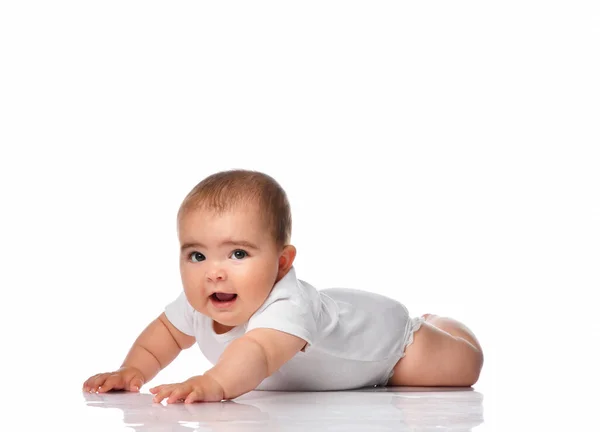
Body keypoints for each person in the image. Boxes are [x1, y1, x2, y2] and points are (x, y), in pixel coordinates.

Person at [82, 169, 484, 404]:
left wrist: (213, 384)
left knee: (463, 367)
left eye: (237, 254)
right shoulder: (199, 301)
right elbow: (163, 337)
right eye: (197, 255)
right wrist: (132, 370)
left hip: (388, 347)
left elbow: (256, 353)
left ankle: (440, 323)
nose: (214, 272)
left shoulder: (286, 305)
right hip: (335, 314)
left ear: (281, 263)